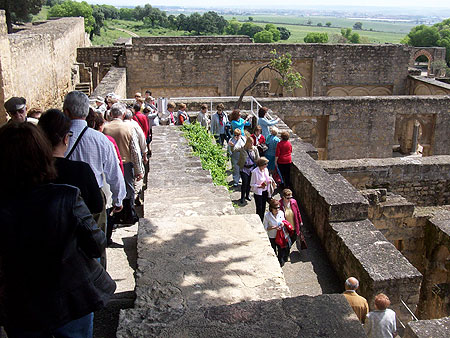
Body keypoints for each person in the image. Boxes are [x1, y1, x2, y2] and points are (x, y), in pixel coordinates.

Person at [0, 122, 116, 337]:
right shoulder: (66, 196)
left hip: (20, 302)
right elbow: (96, 243)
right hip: (69, 296)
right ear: (42, 154)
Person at [63, 91, 126, 234]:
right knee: (95, 241)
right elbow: (114, 172)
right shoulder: (101, 140)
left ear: (65, 112)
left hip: (63, 197)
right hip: (92, 197)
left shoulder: (57, 137)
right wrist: (118, 199)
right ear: (86, 112)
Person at [38, 109, 103, 215]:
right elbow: (96, 206)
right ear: (65, 138)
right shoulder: (81, 170)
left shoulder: (30, 170)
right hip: (73, 229)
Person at [103, 103, 144, 225]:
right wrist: (139, 170)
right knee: (129, 189)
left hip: (109, 162)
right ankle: (129, 215)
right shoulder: (128, 128)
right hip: (126, 163)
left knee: (112, 188)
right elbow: (135, 151)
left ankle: (115, 216)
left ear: (110, 114)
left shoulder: (105, 128)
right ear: (124, 114)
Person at [279, 189, 306, 255]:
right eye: (288, 198)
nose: (289, 199)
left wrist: (300, 221)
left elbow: (298, 212)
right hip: (286, 227)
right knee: (287, 241)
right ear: (283, 197)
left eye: (291, 197)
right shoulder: (280, 204)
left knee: (293, 239)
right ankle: (286, 254)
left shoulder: (294, 202)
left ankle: (286, 251)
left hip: (294, 225)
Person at [263, 199, 285, 266]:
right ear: (271, 208)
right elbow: (265, 228)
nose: (277, 210)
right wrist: (274, 227)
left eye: (278, 207)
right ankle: (274, 263)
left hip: (280, 235)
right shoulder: (267, 216)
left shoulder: (281, 213)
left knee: (281, 249)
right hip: (272, 236)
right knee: (273, 250)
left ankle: (280, 261)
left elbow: (283, 221)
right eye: (275, 208)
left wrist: (282, 224)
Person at [238, 136, 260, 204]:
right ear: (247, 143)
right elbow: (234, 149)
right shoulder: (243, 149)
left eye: (252, 143)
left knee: (249, 183)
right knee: (244, 183)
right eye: (251, 143)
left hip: (252, 168)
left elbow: (257, 158)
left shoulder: (255, 149)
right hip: (244, 168)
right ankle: (242, 197)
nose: (252, 145)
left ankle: (247, 195)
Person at [250, 157, 271, 221]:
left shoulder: (266, 170)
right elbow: (252, 184)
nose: (266, 165)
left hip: (265, 191)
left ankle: (262, 220)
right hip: (258, 192)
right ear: (261, 164)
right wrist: (259, 186)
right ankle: (258, 220)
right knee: (259, 208)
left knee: (263, 207)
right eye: (265, 164)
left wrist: (270, 181)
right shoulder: (255, 172)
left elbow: (267, 178)